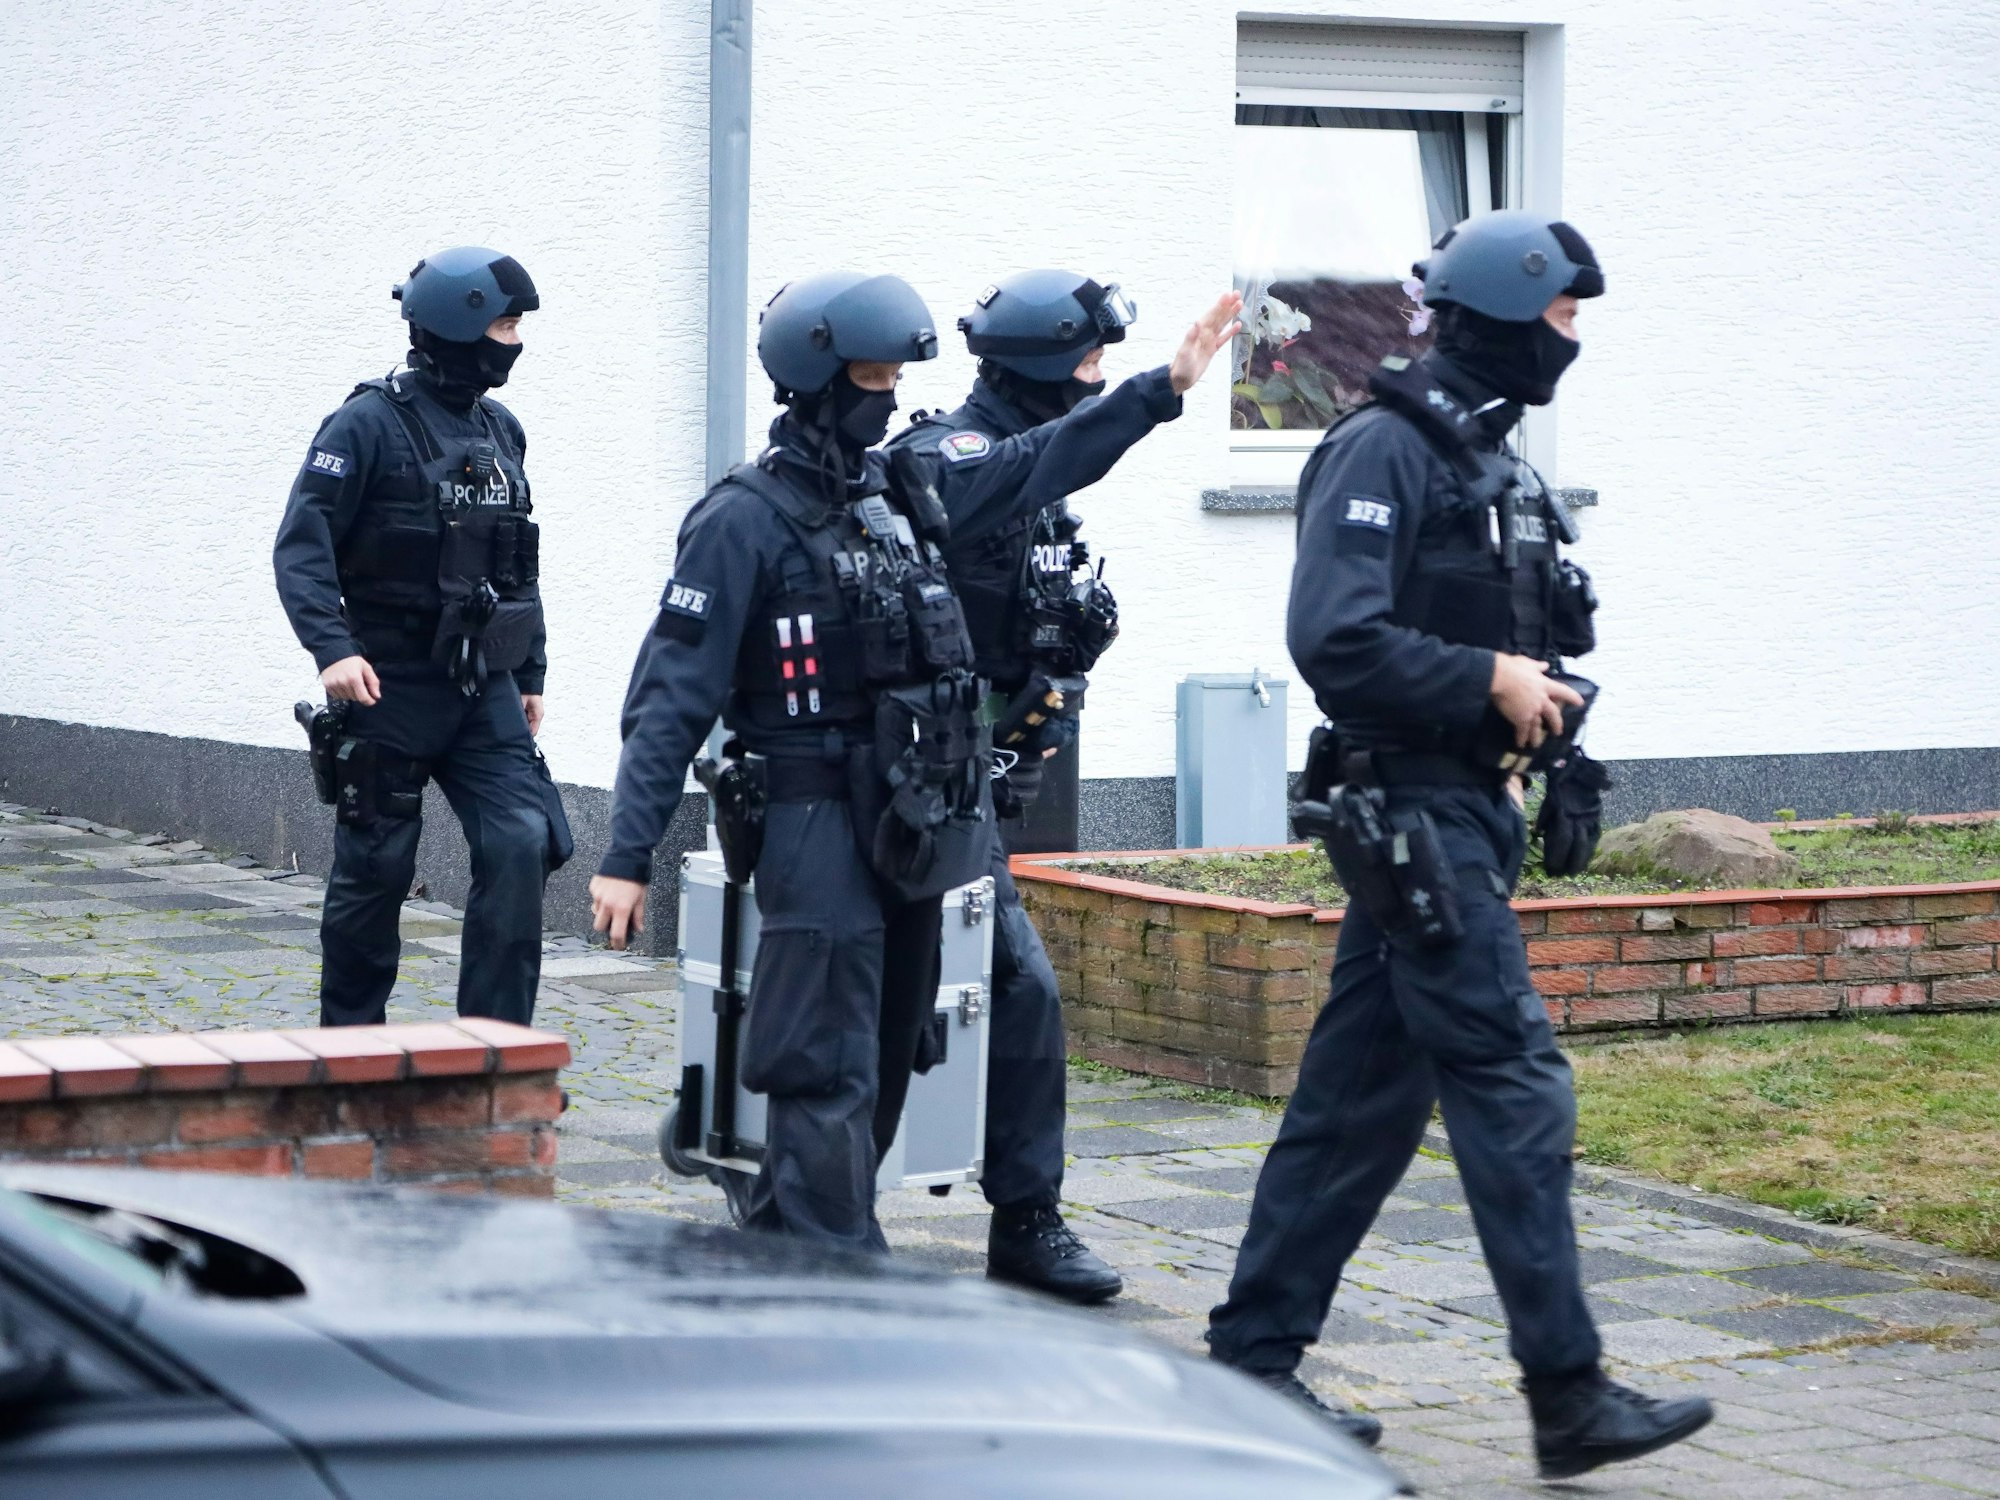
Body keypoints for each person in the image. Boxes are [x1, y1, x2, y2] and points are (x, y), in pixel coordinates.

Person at [1205, 212, 1714, 1477]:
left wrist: (1543, 713)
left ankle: (1250, 1371)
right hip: (1411, 818)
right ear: (1497, 310)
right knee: (1512, 1084)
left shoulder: (1488, 459)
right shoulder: (1382, 447)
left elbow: (1498, 632)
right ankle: (1568, 1395)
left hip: (1464, 816)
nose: (1570, 343)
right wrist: (1485, 673)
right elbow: (1334, 640)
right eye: (1559, 317)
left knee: (1355, 1109)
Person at [590, 271, 987, 1253]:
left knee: (891, 1050)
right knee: (823, 1062)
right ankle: (834, 1278)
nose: (885, 397)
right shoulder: (740, 520)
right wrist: (625, 854)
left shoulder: (891, 497)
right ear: (815, 379)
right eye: (868, 376)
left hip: (906, 818)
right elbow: (669, 696)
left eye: (895, 378)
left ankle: (784, 1236)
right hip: (809, 817)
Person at [885, 275, 1241, 1301]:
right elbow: (1035, 458)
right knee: (963, 988)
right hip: (903, 789)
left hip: (989, 782)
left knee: (1005, 990)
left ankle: (1024, 1219)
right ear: (1045, 361)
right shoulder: (945, 460)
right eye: (1088, 362)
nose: (1092, 382)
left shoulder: (1039, 482)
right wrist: (1156, 390)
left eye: (1103, 366)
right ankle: (821, 1212)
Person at [275, 246, 570, 1029]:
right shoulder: (366, 423)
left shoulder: (502, 431)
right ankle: (350, 1052)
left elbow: (517, 561)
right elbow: (303, 547)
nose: (515, 340)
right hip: (389, 682)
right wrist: (332, 650)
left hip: (483, 688)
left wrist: (531, 669)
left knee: (523, 842)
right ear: (458, 325)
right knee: (377, 869)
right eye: (505, 324)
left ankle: (494, 1052)